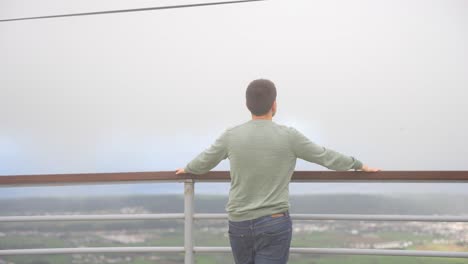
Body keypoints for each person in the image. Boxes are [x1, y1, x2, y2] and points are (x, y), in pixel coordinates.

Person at [176, 79, 379, 264]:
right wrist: (358, 164)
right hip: (273, 221)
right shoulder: (289, 136)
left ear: (247, 105)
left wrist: (187, 169)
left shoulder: (231, 136)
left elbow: (203, 162)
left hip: (239, 223)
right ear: (274, 105)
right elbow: (325, 157)